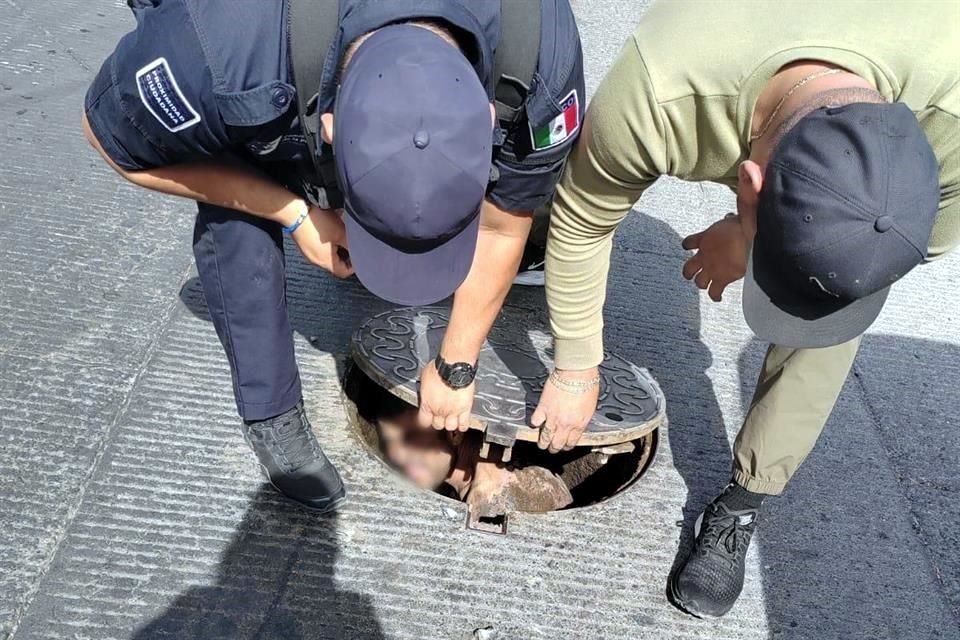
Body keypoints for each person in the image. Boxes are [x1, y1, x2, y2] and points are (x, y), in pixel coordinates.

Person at [530, 0, 959, 619]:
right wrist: (575, 368)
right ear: (748, 183)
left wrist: (748, 235)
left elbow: (910, 246)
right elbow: (585, 218)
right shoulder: (662, 88)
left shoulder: (950, 116)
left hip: (851, 128)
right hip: (728, 75)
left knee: (839, 282)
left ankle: (743, 498)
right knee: (568, 183)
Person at [82, 1, 584, 513]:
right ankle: (269, 409)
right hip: (227, 39)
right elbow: (113, 145)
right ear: (327, 126)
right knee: (237, 171)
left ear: (486, 115)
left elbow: (503, 224)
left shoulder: (539, 49)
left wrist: (457, 363)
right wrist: (293, 213)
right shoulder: (212, 51)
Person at [354, 372, 573, 513]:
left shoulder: (508, 491)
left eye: (411, 439)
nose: (396, 455)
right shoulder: (530, 479)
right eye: (387, 442)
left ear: (454, 433)